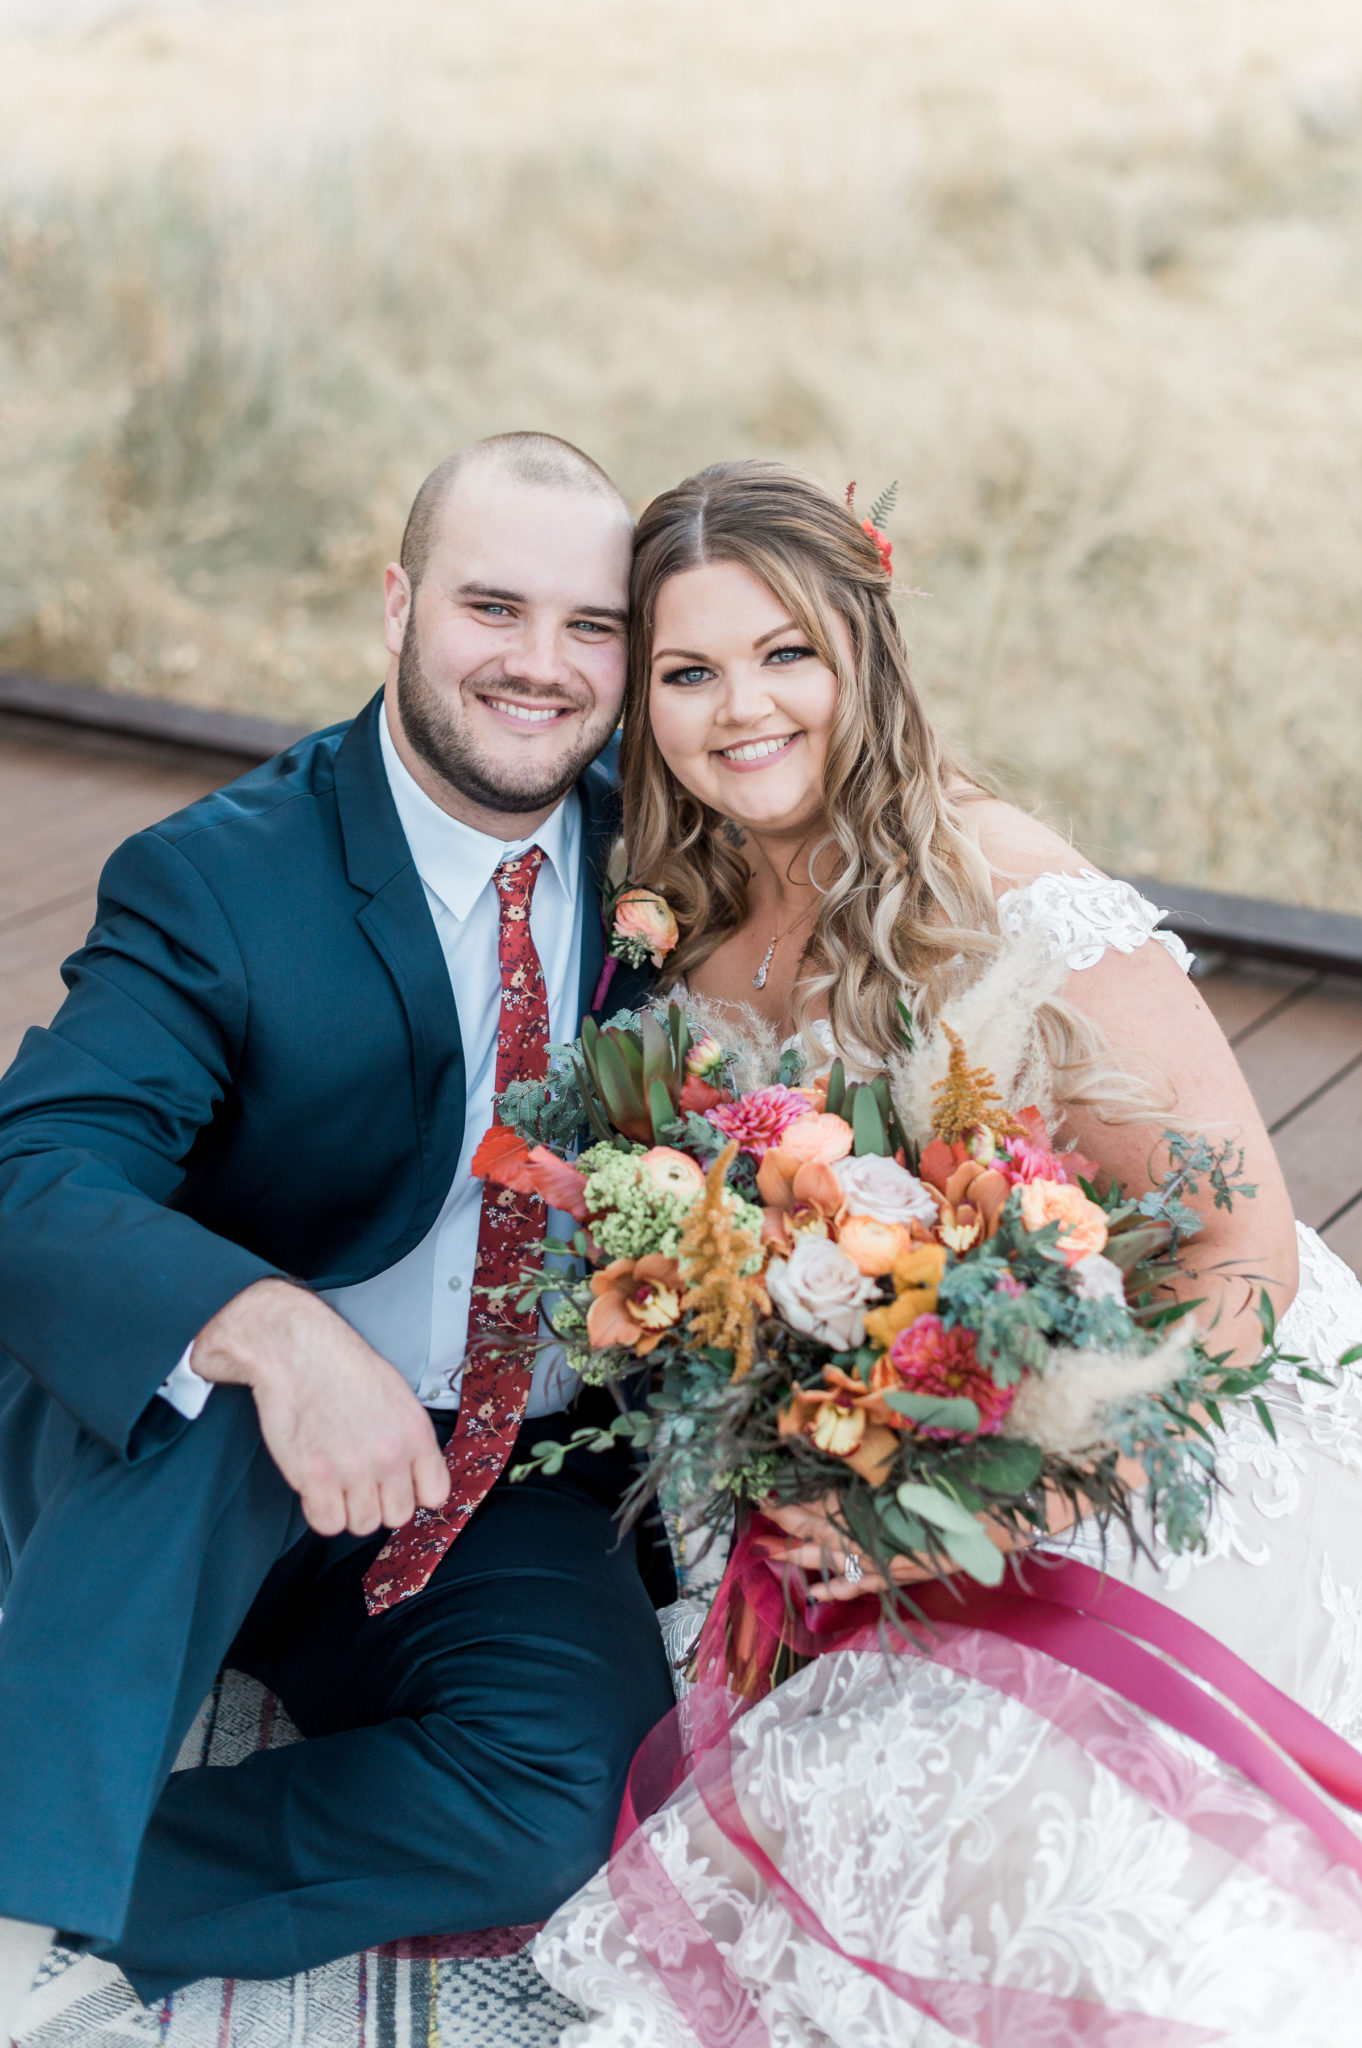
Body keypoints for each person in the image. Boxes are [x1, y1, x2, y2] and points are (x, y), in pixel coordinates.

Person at [533, 459, 1362, 2046]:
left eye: (786, 655)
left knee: (1004, 1834)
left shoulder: (1003, 885)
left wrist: (1033, 1493)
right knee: (814, 1801)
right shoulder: (677, 912)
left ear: (862, 655)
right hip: (893, 1422)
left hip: (1163, 1412)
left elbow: (1240, 1250)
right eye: (688, 672)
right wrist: (800, 1450)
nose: (741, 710)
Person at [0, 431, 677, 2041]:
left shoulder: (669, 860)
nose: (538, 665)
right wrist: (283, 1332)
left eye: (590, 627)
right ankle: (38, 1865)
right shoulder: (221, 878)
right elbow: (36, 1170)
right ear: (396, 605)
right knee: (221, 1375)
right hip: (206, 1474)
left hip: (493, 1458)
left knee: (569, 1797)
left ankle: (90, 1891)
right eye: (489, 607)